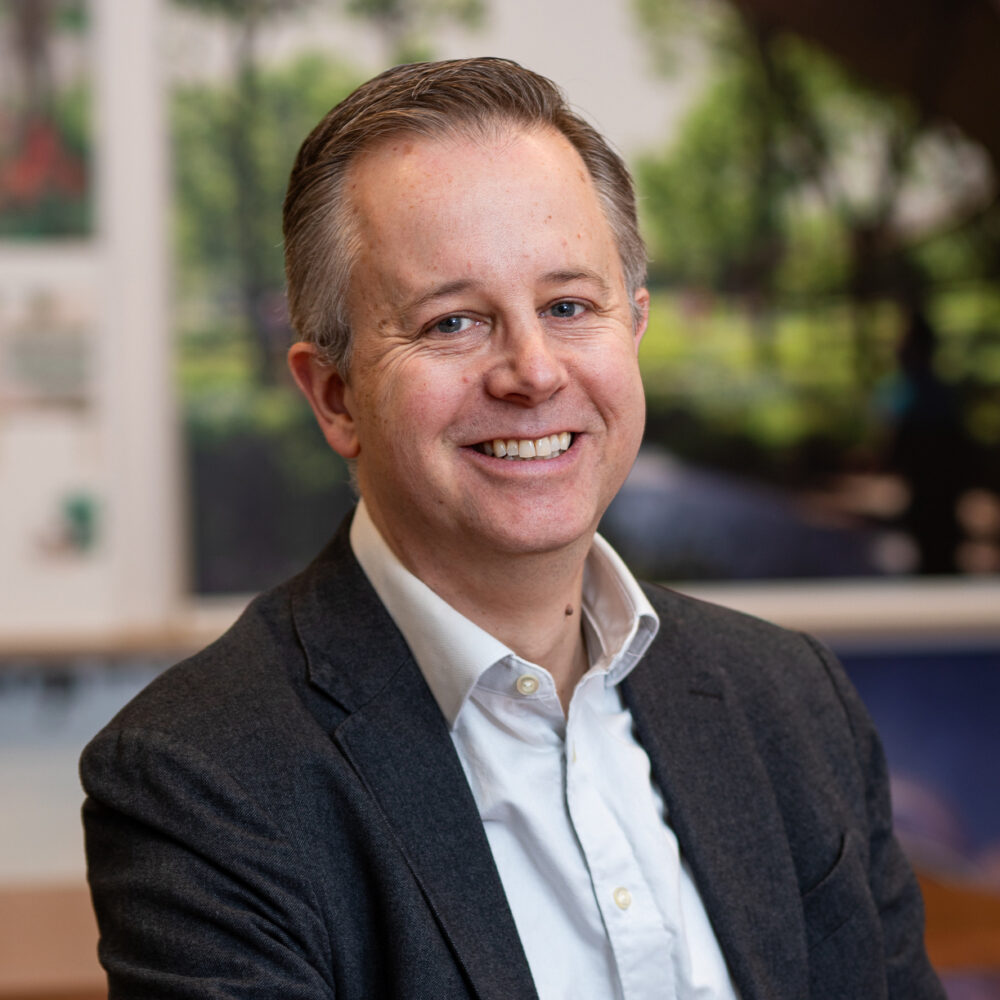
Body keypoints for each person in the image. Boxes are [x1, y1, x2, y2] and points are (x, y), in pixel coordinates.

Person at [80, 57, 944, 999]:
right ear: (335, 395)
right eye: (452, 323)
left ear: (634, 329)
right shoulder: (200, 780)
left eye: (569, 306)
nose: (532, 372)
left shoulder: (793, 700)